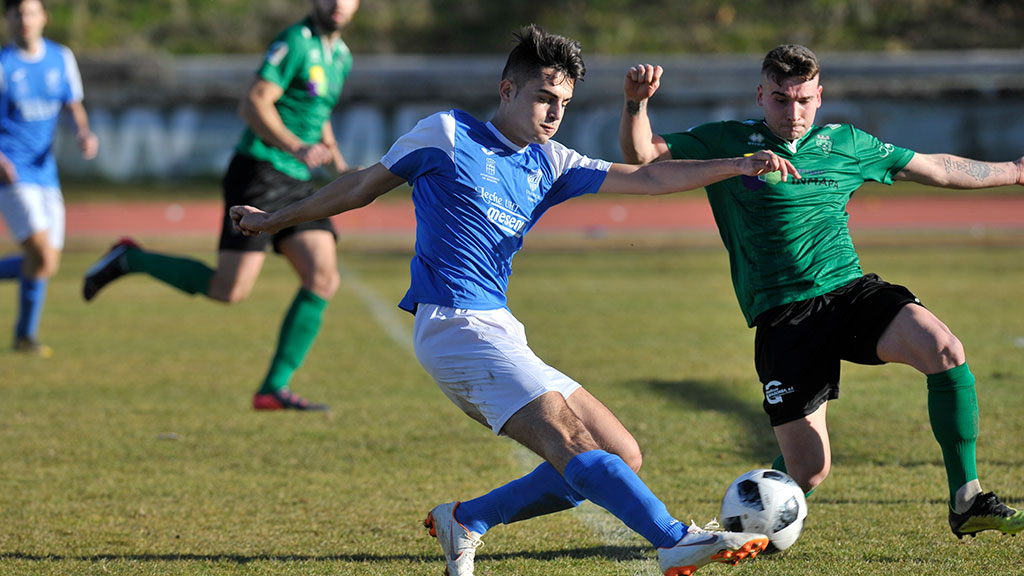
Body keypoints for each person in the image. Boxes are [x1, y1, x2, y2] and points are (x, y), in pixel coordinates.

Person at [232, 25, 801, 576]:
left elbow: (649, 179)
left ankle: (468, 518)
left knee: (620, 453)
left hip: (500, 328)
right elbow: (358, 186)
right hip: (454, 326)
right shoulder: (446, 134)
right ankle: (675, 540)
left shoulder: (551, 162)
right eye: (544, 97)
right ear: (507, 91)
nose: (555, 113)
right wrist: (273, 218)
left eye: (565, 103)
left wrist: (738, 165)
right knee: (571, 441)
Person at [619, 44, 1024, 540]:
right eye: (781, 101)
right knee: (809, 469)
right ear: (761, 95)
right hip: (783, 317)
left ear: (819, 96)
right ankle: (750, 525)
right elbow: (642, 156)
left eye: (805, 100)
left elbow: (934, 167)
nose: (794, 113)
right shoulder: (728, 142)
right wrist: (636, 104)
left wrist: (1017, 171)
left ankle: (967, 499)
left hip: (849, 294)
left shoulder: (845, 143)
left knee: (944, 349)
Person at [82, 0, 360, 411]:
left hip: (299, 182)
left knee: (323, 276)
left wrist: (338, 164)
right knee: (228, 290)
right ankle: (131, 259)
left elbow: (318, 111)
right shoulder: (294, 43)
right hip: (260, 172)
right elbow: (252, 104)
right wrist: (295, 146)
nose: (338, 4)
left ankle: (272, 389)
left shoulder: (342, 56)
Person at [0, 0, 97, 357]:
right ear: (8, 19)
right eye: (16, 14)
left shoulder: (61, 57)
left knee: (46, 264)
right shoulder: (3, 64)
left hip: (46, 173)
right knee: (40, 253)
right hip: (12, 174)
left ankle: (24, 338)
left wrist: (84, 132)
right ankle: (24, 336)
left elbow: (73, 104)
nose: (24, 20)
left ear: (43, 17)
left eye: (30, 12)